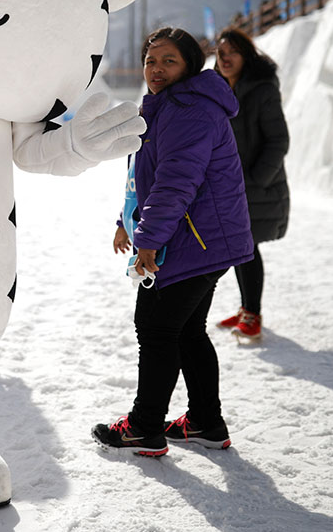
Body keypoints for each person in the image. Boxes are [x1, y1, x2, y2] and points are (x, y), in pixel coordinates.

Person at [95, 27, 254, 457]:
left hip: (193, 240)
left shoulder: (189, 109)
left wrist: (148, 239)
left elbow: (175, 183)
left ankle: (144, 427)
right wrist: (126, 221)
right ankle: (205, 421)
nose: (157, 69)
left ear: (188, 65)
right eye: (151, 60)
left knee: (156, 328)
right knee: (185, 330)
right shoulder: (168, 107)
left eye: (169, 60)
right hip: (200, 238)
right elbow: (143, 177)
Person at [212, 29, 290, 342]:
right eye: (220, 53)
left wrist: (255, 180)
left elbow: (278, 141)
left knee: (246, 248)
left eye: (232, 52)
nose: (225, 58)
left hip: (256, 185)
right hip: (230, 186)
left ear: (246, 55)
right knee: (238, 248)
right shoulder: (220, 91)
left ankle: (252, 314)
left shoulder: (262, 91)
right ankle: (246, 308)